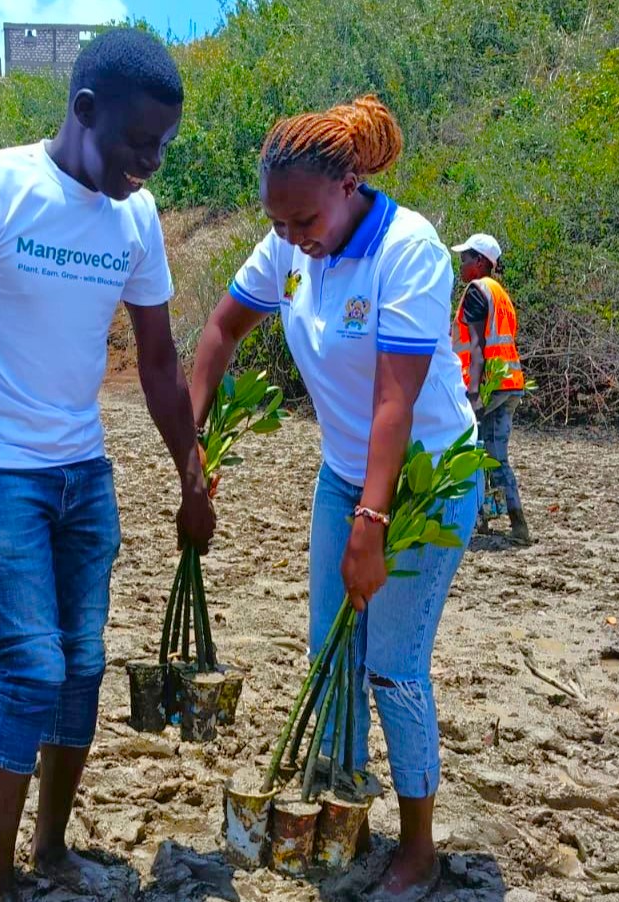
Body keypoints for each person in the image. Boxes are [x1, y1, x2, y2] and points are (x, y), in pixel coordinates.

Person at [0, 29, 215, 902]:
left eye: (163, 145)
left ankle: (52, 852)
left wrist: (192, 476)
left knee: (84, 666)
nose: (150, 163)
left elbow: (163, 364)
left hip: (81, 470)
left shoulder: (135, 219)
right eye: (138, 142)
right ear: (84, 111)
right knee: (33, 667)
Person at [191, 96, 481, 900]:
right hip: (342, 475)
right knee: (331, 650)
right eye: (279, 224)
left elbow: (395, 402)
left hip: (423, 480)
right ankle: (341, 805)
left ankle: (418, 848)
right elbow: (219, 333)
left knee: (392, 666)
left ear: (351, 184)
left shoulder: (410, 250)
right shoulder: (286, 249)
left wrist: (371, 525)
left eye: (305, 220)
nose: (295, 239)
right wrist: (192, 446)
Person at [451, 234, 531, 544]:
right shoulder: (501, 294)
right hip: (510, 383)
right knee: (495, 456)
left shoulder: (476, 291)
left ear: (481, 262)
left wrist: (472, 394)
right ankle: (518, 526)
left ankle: (476, 520)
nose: (462, 266)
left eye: (466, 259)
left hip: (486, 387)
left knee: (469, 452)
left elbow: (477, 347)